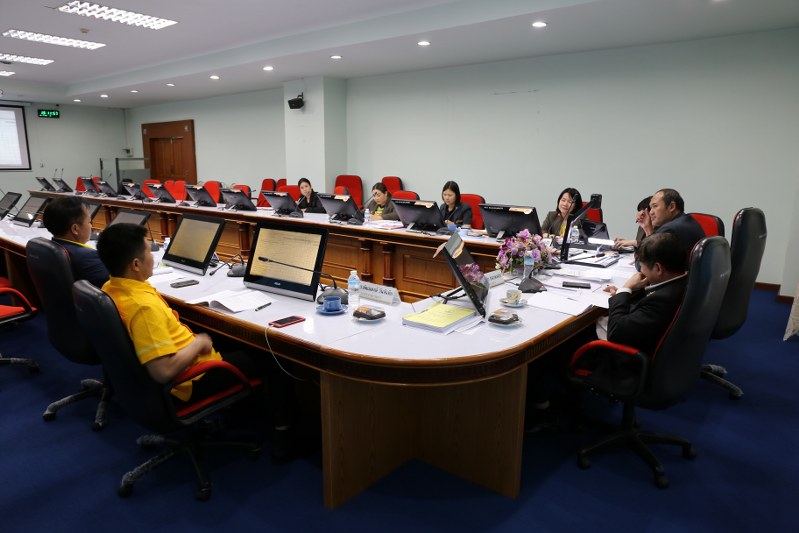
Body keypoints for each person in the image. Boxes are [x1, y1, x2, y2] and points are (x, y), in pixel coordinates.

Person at [96, 223, 294, 460]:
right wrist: (199, 344)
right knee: (274, 357)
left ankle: (239, 411)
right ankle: (285, 435)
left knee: (230, 340)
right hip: (188, 383)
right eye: (149, 252)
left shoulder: (112, 287)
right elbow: (163, 371)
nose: (153, 257)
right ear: (136, 264)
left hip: (160, 373)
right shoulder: (143, 308)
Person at [527, 232, 689, 433]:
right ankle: (572, 398)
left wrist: (624, 290)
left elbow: (617, 332)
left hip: (628, 360)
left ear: (658, 268)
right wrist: (623, 297)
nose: (641, 272)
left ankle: (545, 413)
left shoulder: (662, 299)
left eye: (642, 267)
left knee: (547, 349)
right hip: (654, 351)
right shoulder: (681, 284)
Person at [41, 196, 109, 288]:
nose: (91, 226)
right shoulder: (89, 257)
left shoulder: (52, 247)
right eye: (89, 222)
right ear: (75, 229)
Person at [640, 188, 705, 266]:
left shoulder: (669, 230)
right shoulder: (689, 221)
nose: (651, 212)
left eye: (655, 206)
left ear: (671, 206)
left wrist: (647, 229)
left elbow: (646, 265)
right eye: (651, 208)